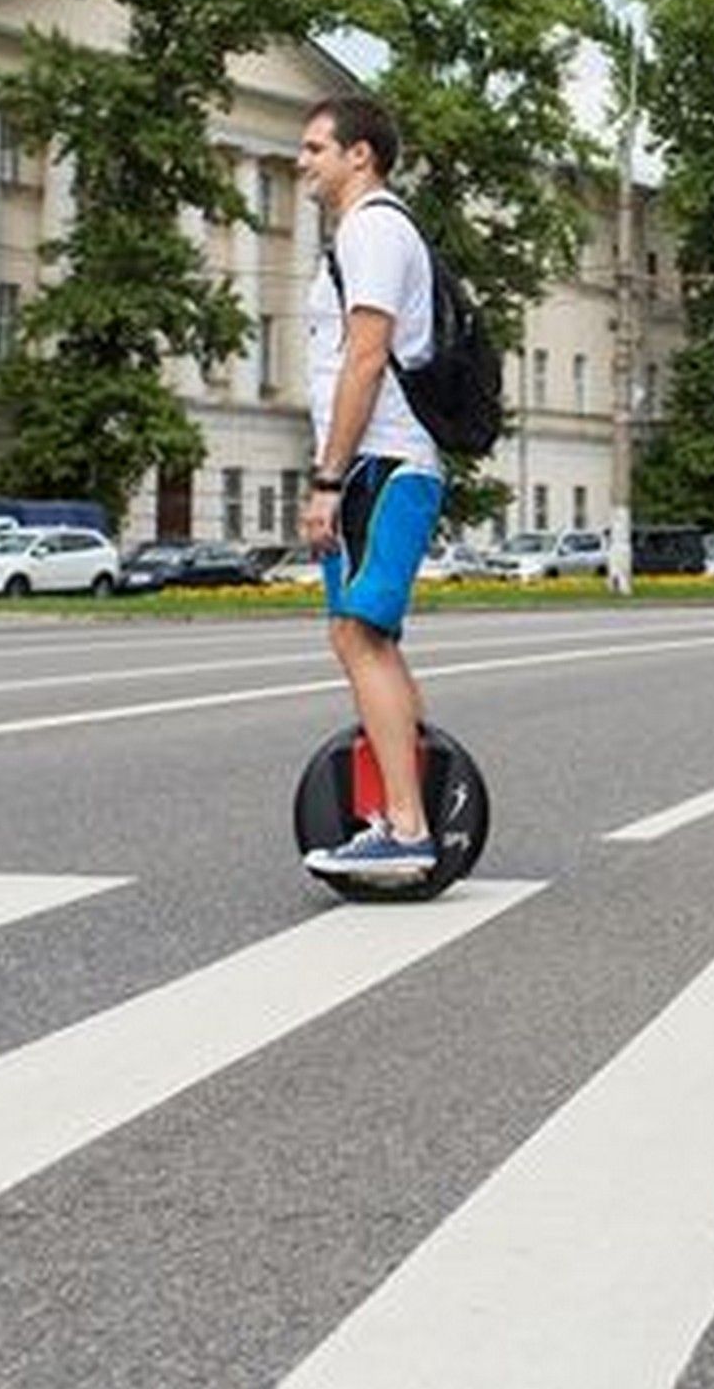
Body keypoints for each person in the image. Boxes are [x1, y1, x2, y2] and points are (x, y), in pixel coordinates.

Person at [296, 94, 445, 880]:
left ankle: (408, 827)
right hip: (368, 462)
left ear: (361, 155)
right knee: (359, 636)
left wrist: (327, 477)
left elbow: (365, 357)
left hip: (385, 462)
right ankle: (413, 794)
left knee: (362, 634)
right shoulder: (358, 234)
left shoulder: (375, 229)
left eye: (316, 147)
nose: (302, 160)